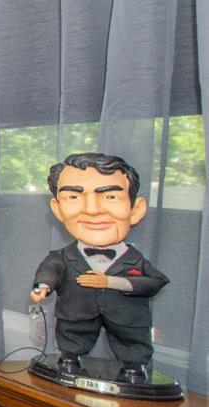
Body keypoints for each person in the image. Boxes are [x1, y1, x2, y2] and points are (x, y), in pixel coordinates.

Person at [30, 152, 168, 383]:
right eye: (74, 197)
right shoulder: (62, 257)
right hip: (76, 315)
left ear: (136, 209)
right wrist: (42, 286)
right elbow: (50, 270)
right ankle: (71, 359)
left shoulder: (135, 260)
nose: (92, 210)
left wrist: (112, 282)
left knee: (132, 340)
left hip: (127, 319)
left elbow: (156, 281)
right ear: (57, 208)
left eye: (110, 196)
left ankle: (134, 366)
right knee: (72, 335)